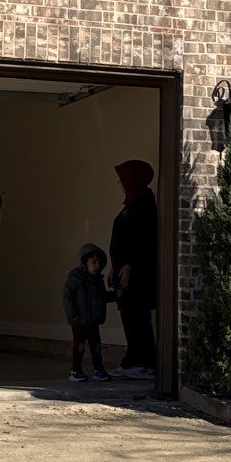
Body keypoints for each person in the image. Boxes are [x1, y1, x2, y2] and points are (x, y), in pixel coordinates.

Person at [108, 160, 159, 378]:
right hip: (124, 271)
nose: (119, 182)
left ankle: (145, 362)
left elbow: (143, 239)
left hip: (137, 276)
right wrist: (115, 265)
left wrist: (130, 265)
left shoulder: (143, 203)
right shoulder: (131, 203)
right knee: (129, 316)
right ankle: (132, 361)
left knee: (138, 316)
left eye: (124, 177)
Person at [61, 243, 114, 383]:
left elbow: (102, 297)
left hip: (93, 320)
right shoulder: (75, 277)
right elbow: (67, 297)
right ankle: (76, 370)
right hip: (80, 320)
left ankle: (99, 370)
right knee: (80, 345)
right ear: (85, 262)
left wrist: (116, 295)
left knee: (96, 345)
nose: (97, 265)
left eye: (99, 262)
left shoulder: (98, 280)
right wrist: (73, 316)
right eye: (94, 262)